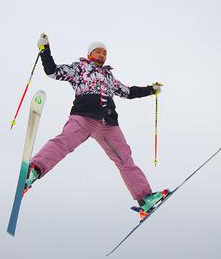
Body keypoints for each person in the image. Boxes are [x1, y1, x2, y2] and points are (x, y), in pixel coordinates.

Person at [23, 33, 167, 216]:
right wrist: (45, 50)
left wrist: (150, 90)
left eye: (105, 53)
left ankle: (145, 198)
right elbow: (52, 71)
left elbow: (128, 92)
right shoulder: (79, 69)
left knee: (124, 158)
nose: (102, 55)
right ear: (90, 54)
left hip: (108, 123)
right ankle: (33, 171)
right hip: (84, 116)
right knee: (64, 142)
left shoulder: (109, 77)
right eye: (98, 52)